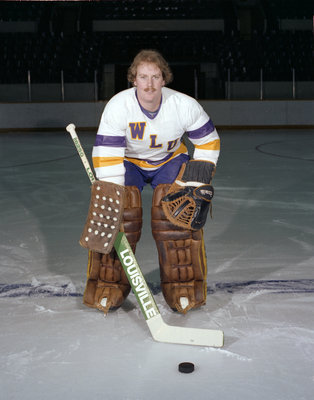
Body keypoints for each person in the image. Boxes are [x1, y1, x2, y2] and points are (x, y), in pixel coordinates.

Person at [82, 49, 220, 314]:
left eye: (155, 77)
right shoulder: (118, 106)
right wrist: (113, 198)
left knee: (175, 219)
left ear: (164, 79)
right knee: (121, 217)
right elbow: (107, 151)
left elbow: (208, 142)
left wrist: (192, 184)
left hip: (169, 161)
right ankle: (108, 283)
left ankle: (183, 285)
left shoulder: (184, 105)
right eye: (143, 77)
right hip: (128, 162)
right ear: (133, 79)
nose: (149, 83)